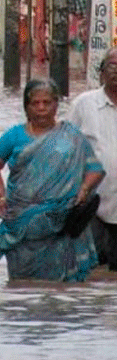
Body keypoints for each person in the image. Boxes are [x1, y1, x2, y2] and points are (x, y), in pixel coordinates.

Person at [0, 78, 104, 281]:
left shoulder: (71, 135)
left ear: (56, 105)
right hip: (23, 227)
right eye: (35, 103)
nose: (41, 108)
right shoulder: (14, 136)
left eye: (47, 103)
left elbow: (95, 169)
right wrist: (1, 196)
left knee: (62, 292)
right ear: (26, 107)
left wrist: (83, 191)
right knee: (22, 289)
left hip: (63, 224)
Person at [68, 49, 117, 270]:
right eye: (112, 66)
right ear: (102, 72)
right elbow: (66, 148)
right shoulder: (83, 104)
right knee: (93, 267)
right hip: (92, 203)